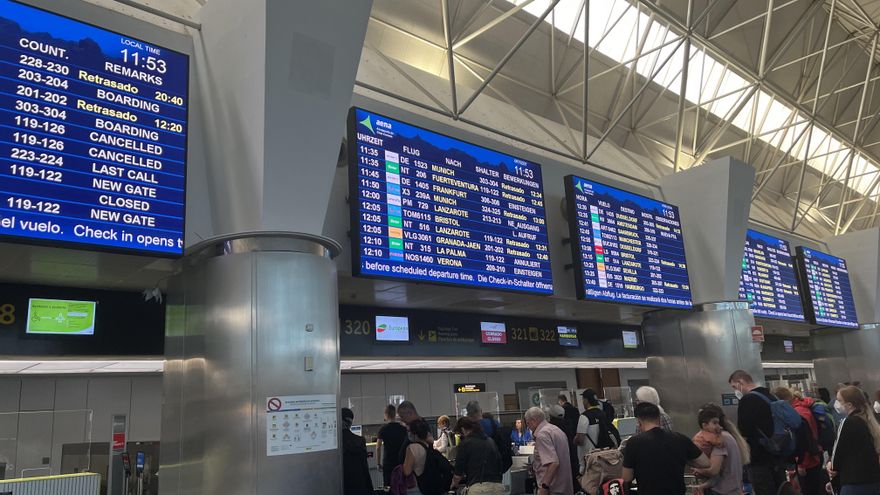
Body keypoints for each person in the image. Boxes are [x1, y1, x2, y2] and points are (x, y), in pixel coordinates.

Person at [622, 402, 709, 495]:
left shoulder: (634, 442)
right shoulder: (680, 438)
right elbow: (705, 463)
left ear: (638, 422)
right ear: (659, 419)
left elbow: (627, 477)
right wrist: (684, 459)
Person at [729, 369, 784, 495]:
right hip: (777, 453)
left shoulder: (747, 400)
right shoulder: (771, 396)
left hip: (759, 458)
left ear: (740, 382)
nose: (735, 391)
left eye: (734, 386)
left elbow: (743, 431)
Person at [827, 385, 880, 495]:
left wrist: (830, 466)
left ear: (849, 405)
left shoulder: (847, 422)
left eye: (839, 400)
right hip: (873, 481)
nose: (837, 403)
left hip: (853, 483)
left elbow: (836, 455)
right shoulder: (869, 421)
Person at [691, 404, 750, 495]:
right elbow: (722, 472)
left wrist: (699, 470)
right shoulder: (730, 436)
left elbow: (714, 470)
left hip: (722, 491)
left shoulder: (720, 439)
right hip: (734, 490)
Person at [775, 387, 824, 495]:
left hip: (809, 459)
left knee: (809, 490)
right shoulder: (803, 407)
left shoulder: (797, 413)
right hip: (813, 455)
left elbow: (804, 440)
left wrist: (802, 464)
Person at [525, 407, 574, 495]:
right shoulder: (557, 430)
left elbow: (553, 463)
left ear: (533, 421)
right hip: (565, 487)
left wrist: (544, 487)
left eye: (528, 423)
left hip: (552, 489)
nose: (528, 427)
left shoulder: (542, 435)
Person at [451, 417, 504, 494]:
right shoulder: (490, 441)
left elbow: (458, 474)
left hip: (479, 489)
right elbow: (500, 464)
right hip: (498, 487)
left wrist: (454, 484)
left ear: (463, 429)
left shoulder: (465, 443)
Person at [575, 388, 616, 474]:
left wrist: (574, 440)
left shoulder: (584, 417)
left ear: (586, 400)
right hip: (603, 455)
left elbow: (580, 440)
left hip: (589, 457)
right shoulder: (602, 413)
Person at [341, 408, 374, 495]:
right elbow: (365, 467)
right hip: (360, 484)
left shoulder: (336, 443)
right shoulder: (360, 440)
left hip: (343, 485)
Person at [547, 405, 580, 489]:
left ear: (550, 416)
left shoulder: (550, 430)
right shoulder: (570, 426)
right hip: (573, 461)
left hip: (558, 466)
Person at [377, 404, 408, 488]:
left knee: (388, 486)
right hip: (400, 462)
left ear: (386, 414)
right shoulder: (403, 429)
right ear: (395, 414)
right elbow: (408, 445)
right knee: (401, 486)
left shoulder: (382, 429)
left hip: (388, 463)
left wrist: (378, 463)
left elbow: (378, 448)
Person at [402, 418, 434, 495]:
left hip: (416, 486)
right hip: (429, 485)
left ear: (415, 434)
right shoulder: (429, 444)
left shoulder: (412, 447)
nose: (408, 433)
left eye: (409, 431)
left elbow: (407, 471)